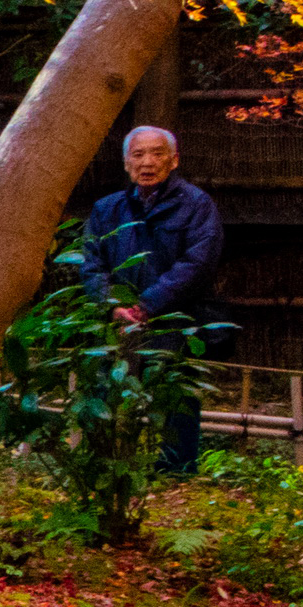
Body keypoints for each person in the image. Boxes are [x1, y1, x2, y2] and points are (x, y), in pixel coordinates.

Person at [76, 125, 224, 473]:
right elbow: (91, 264)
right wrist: (112, 304)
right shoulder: (106, 209)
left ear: (174, 161)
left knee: (175, 397)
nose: (148, 162)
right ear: (126, 163)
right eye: (138, 154)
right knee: (105, 391)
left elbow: (198, 263)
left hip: (175, 319)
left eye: (157, 153)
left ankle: (177, 473)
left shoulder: (197, 205)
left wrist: (148, 305)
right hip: (115, 322)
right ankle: (104, 468)